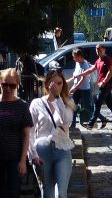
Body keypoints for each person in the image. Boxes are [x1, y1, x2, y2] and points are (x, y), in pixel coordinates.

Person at [29, 69, 74, 198]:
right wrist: (32, 155)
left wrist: (58, 98)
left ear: (63, 85)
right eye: (53, 83)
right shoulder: (36, 103)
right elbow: (30, 131)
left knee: (61, 193)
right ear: (47, 84)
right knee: (47, 193)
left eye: (59, 83)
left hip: (62, 151)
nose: (56, 86)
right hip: (42, 152)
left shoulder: (67, 103)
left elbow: (65, 120)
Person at [0, 68, 32, 198]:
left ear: (17, 85)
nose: (7, 88)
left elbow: (26, 136)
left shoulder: (22, 106)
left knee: (13, 192)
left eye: (12, 85)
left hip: (14, 157)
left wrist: (23, 160)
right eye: (4, 84)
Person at [87, 44, 112, 130]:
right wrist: (81, 74)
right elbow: (92, 69)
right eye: (97, 50)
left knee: (97, 104)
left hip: (106, 86)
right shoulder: (99, 60)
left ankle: (90, 124)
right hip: (103, 86)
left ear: (104, 50)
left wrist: (104, 81)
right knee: (110, 105)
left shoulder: (108, 59)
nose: (98, 52)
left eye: (100, 50)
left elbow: (110, 72)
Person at [66, 50, 95, 131]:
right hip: (78, 89)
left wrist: (74, 88)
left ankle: (101, 118)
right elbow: (76, 75)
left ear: (79, 56)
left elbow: (82, 79)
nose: (73, 59)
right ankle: (73, 124)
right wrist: (69, 81)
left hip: (84, 89)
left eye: (74, 57)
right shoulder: (77, 63)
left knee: (88, 107)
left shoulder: (85, 65)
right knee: (73, 106)